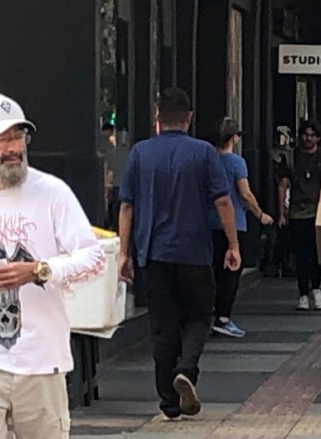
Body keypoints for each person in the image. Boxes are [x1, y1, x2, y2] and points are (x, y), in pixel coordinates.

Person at [118, 87, 241, 420]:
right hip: (194, 251)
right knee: (200, 315)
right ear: (189, 118)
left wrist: (123, 252)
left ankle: (169, 401)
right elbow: (223, 200)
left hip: (153, 253)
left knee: (163, 326)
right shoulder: (203, 153)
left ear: (157, 118)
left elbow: (127, 205)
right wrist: (232, 244)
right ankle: (187, 368)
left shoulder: (140, 153)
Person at [0, 93, 105, 438]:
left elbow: (93, 257)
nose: (13, 147)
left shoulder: (52, 192)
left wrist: (39, 270)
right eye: (1, 138)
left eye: (18, 136)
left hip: (41, 360)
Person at [209, 117, 273, 338]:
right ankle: (223, 318)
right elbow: (245, 194)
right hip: (234, 223)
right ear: (234, 137)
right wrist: (260, 214)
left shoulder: (208, 161)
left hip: (209, 222)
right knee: (231, 272)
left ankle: (209, 313)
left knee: (213, 269)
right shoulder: (237, 163)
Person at [277, 120, 321, 311]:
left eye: (313, 135)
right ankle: (303, 293)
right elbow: (282, 185)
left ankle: (316, 288)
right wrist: (281, 213)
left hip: (319, 211)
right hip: (297, 211)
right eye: (305, 134)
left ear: (318, 138)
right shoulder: (291, 157)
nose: (309, 138)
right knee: (301, 254)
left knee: (317, 253)